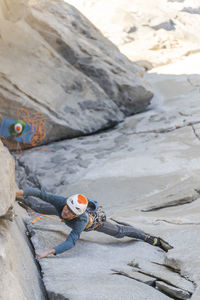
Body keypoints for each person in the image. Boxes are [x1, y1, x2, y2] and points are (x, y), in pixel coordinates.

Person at [15, 187, 173, 259]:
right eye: (67, 208)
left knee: (119, 232)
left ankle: (145, 237)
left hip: (95, 223)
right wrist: (15, 192)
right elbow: (40, 193)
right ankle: (18, 198)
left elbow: (71, 241)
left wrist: (49, 251)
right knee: (37, 205)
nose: (66, 212)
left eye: (71, 212)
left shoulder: (80, 220)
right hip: (79, 213)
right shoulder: (62, 203)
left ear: (77, 214)